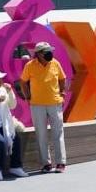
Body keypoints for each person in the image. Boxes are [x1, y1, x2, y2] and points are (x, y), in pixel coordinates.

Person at [20, 41, 68, 173]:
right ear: (39, 54)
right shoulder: (30, 65)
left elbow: (63, 79)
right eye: (46, 51)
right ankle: (46, 164)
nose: (49, 53)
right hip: (37, 105)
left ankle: (61, 163)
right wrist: (28, 97)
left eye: (50, 50)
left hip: (55, 103)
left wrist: (63, 93)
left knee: (58, 133)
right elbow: (23, 81)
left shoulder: (56, 63)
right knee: (41, 134)